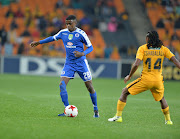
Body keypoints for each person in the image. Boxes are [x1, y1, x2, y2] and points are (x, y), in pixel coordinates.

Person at [30, 15, 99, 117]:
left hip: (81, 63)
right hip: (69, 63)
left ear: (75, 23)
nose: (67, 25)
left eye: (70, 23)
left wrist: (82, 53)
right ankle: (67, 109)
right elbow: (52, 38)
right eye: (66, 23)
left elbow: (91, 47)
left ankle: (96, 109)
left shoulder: (81, 34)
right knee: (62, 85)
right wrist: (39, 42)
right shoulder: (63, 32)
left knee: (89, 87)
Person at [108, 31, 180, 125]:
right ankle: (168, 120)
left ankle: (118, 117)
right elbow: (176, 61)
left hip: (146, 79)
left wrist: (129, 76)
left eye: (147, 38)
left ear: (149, 39)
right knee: (162, 98)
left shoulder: (143, 48)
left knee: (124, 92)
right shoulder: (164, 49)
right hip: (158, 80)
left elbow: (136, 64)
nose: (145, 39)